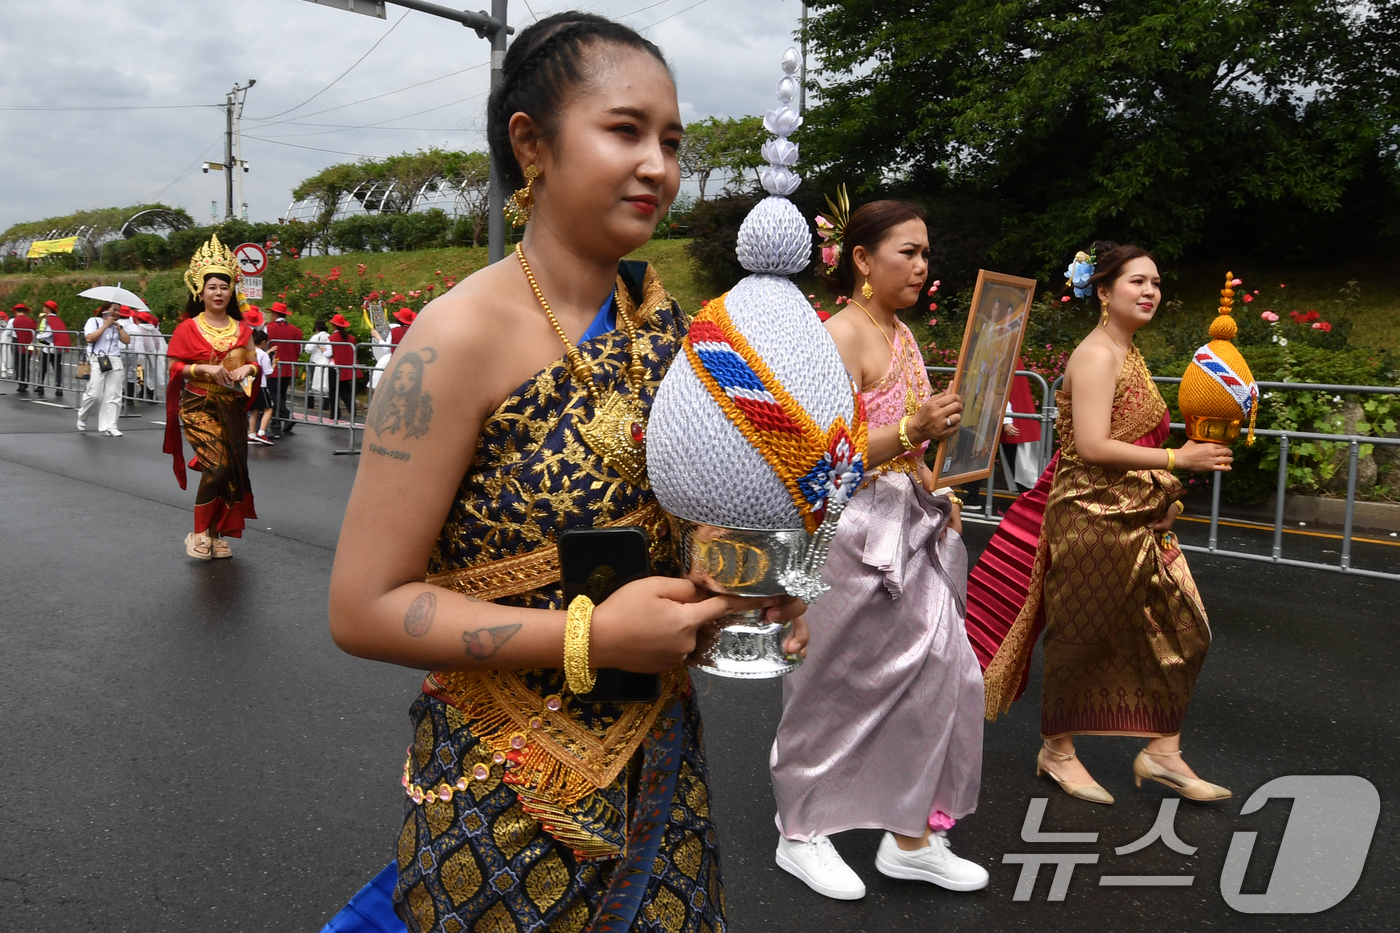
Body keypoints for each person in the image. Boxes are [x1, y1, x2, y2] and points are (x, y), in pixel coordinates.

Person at [326, 13, 806, 932]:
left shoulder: (680, 333)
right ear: (531, 144)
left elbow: (691, 522)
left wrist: (745, 583)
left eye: (671, 141)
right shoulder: (455, 339)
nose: (659, 166)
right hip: (501, 796)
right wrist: (592, 638)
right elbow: (363, 606)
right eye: (624, 131)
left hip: (661, 765)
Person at [769, 199, 988, 901]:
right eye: (908, 252)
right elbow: (814, 456)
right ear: (862, 259)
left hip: (910, 525)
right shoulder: (838, 337)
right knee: (829, 688)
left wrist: (936, 483)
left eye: (927, 253)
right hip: (847, 533)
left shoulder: (902, 334)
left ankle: (914, 833)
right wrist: (912, 432)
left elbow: (914, 444)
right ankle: (799, 829)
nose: (923, 267)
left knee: (946, 674)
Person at [972, 243, 1235, 806]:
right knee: (1080, 639)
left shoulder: (1128, 351)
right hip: (1089, 517)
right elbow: (1091, 446)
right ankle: (1057, 752)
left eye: (1156, 284)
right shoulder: (1095, 354)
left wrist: (1163, 494)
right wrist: (1177, 461)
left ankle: (1162, 752)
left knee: (1185, 627)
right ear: (1103, 290)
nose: (1149, 292)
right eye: (1137, 282)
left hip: (1138, 516)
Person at [162, 235, 260, 562]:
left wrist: (247, 368)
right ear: (199, 291)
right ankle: (199, 531)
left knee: (232, 470)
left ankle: (218, 534)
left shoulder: (241, 328)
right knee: (216, 466)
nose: (218, 293)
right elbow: (175, 367)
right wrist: (202, 368)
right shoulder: (188, 328)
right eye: (212, 287)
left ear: (232, 291)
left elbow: (254, 363)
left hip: (231, 405)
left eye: (224, 286)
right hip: (198, 404)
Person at [77, 301, 131, 436]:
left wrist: (119, 327)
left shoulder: (117, 326)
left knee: (114, 394)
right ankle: (83, 415)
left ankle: (110, 425)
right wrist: (105, 326)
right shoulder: (93, 321)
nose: (117, 313)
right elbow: (89, 338)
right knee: (94, 394)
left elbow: (127, 340)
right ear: (106, 310)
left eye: (119, 311)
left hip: (114, 359)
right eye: (114, 310)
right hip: (97, 358)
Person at [999, 357, 1042, 493]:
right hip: (1022, 420)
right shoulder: (1012, 357)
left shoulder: (1005, 358)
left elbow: (1003, 392)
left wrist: (1007, 421)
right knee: (1027, 468)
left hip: (1016, 422)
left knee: (1023, 470)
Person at [265, 301, 304, 436]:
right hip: (289, 367)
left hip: (274, 366)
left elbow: (264, 346)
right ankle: (277, 420)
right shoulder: (296, 330)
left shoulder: (268, 328)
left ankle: (287, 416)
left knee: (273, 394)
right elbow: (299, 349)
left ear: (275, 314)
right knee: (281, 394)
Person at [36, 300, 72, 398]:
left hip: (48, 347)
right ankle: (59, 387)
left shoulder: (49, 319)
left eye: (45, 307)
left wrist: (38, 336)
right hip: (57, 347)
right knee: (57, 368)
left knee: (43, 368)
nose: (43, 308)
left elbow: (48, 333)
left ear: (49, 309)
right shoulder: (58, 320)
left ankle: (40, 386)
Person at [327, 313, 358, 421]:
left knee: (333, 392)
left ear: (334, 326)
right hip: (347, 368)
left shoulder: (331, 338)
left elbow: (329, 354)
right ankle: (352, 409)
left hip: (334, 367)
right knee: (345, 390)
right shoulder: (351, 338)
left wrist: (322, 350)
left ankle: (335, 413)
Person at [248, 330, 275, 446]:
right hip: (261, 385)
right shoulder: (263, 354)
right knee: (268, 409)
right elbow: (268, 371)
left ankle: (252, 434)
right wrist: (274, 364)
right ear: (263, 342)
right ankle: (261, 432)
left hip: (251, 385)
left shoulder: (249, 352)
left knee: (255, 410)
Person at [306, 318, 332, 414]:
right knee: (326, 383)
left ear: (317, 327)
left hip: (315, 360)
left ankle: (310, 403)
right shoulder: (329, 336)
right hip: (327, 361)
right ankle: (326, 404)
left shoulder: (316, 337)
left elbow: (308, 349)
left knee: (311, 381)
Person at [10, 303, 36, 393]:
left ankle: (20, 382)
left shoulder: (13, 320)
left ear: (16, 311)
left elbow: (9, 332)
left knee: (18, 362)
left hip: (17, 342)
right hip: (27, 344)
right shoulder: (30, 321)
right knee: (26, 363)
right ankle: (26, 381)